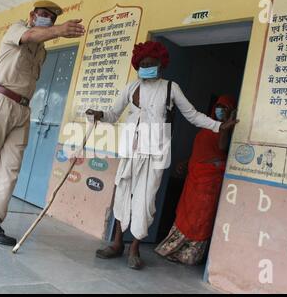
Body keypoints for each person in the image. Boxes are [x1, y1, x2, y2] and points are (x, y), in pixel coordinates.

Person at [86, 42, 239, 269]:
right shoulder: (131, 88)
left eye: (151, 64)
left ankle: (135, 249)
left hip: (155, 153)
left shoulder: (170, 88)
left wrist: (218, 126)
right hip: (130, 150)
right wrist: (98, 114)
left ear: (161, 65)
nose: (147, 67)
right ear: (138, 65)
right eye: (143, 64)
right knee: (122, 195)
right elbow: (112, 114)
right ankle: (117, 244)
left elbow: (193, 115)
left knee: (146, 202)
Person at [0, 0, 85, 246]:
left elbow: (37, 40)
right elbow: (29, 34)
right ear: (31, 15)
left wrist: (51, 33)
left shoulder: (41, 50)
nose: (47, 19)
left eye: (51, 18)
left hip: (23, 108)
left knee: (11, 167)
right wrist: (59, 30)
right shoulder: (15, 29)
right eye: (43, 15)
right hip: (1, 100)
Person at [155, 95, 237, 265]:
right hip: (194, 177)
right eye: (218, 106)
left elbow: (221, 147)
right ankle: (172, 249)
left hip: (209, 181)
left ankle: (189, 255)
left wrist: (226, 126)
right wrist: (186, 162)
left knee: (200, 217)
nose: (219, 109)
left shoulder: (225, 129)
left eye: (224, 107)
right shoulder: (208, 124)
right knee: (187, 212)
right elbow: (201, 151)